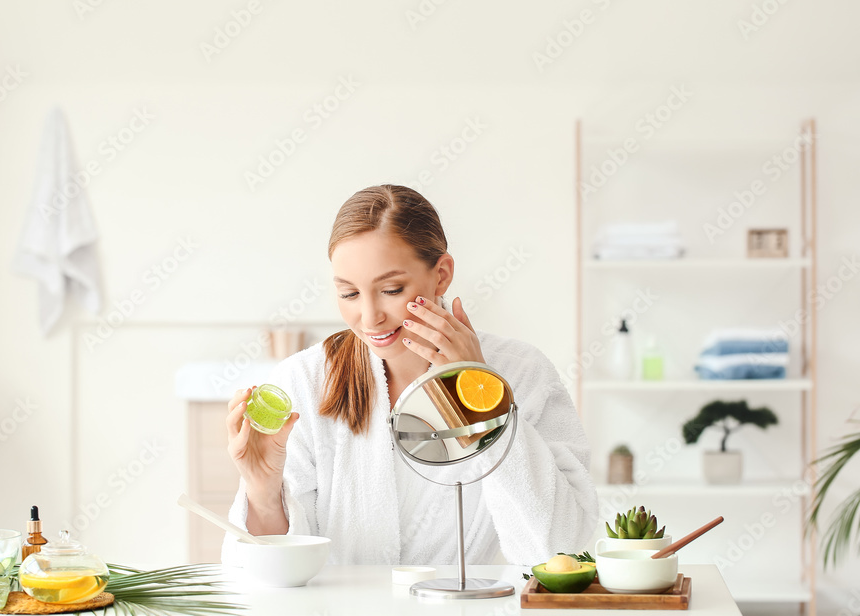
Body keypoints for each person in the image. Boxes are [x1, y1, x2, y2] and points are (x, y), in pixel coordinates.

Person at [221, 184, 598, 566]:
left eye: (391, 289)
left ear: (442, 275)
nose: (369, 318)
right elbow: (269, 577)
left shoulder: (522, 372)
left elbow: (559, 552)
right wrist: (263, 490)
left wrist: (481, 402)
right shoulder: (304, 380)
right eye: (349, 294)